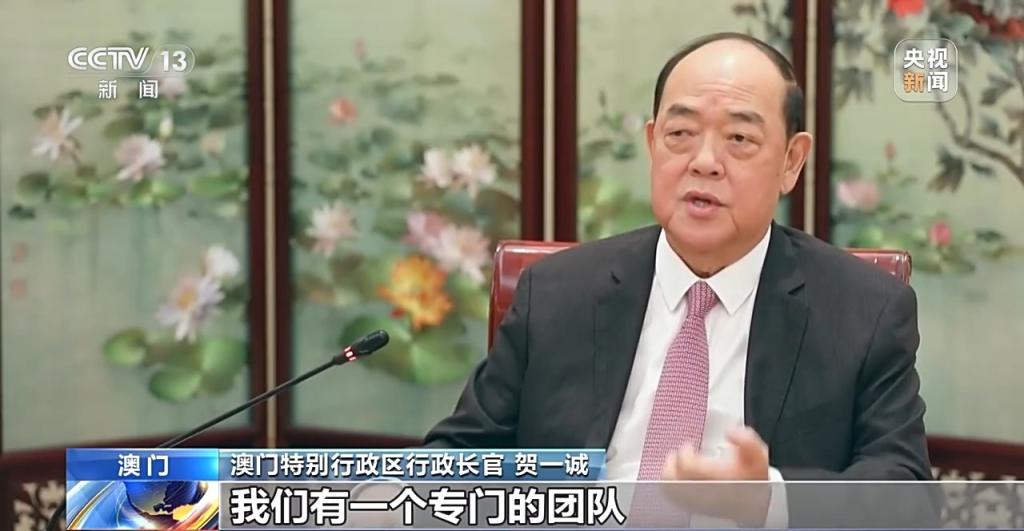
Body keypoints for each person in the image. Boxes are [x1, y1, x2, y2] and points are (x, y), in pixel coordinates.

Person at [423, 32, 933, 527]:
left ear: (791, 161)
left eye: (739, 139)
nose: (704, 162)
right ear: (652, 143)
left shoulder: (863, 310)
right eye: (680, 134)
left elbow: (906, 498)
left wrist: (769, 500)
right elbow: (457, 458)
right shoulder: (557, 293)